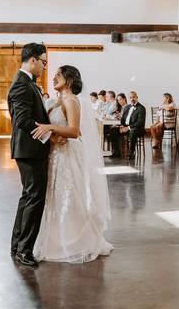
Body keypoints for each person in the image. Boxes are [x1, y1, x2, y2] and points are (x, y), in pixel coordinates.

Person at [30, 65, 112, 263]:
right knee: (55, 197)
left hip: (68, 154)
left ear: (70, 80)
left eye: (58, 75)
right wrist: (51, 136)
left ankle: (76, 241)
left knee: (70, 196)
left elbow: (74, 131)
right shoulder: (56, 101)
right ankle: (56, 240)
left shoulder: (71, 100)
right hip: (56, 154)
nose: (54, 78)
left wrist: (49, 127)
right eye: (54, 75)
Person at [7, 43, 50, 268]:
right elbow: (22, 120)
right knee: (35, 198)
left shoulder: (28, 83)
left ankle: (17, 246)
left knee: (28, 197)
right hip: (29, 149)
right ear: (32, 60)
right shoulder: (21, 85)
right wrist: (48, 135)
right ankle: (25, 250)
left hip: (28, 150)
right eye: (43, 61)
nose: (44, 66)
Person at [108, 90, 145, 159]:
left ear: (137, 97)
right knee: (113, 130)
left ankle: (131, 153)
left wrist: (128, 128)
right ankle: (116, 152)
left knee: (132, 131)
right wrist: (122, 125)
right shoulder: (127, 107)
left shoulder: (141, 108)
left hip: (137, 129)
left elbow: (140, 122)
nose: (132, 99)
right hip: (126, 127)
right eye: (130, 97)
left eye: (133, 97)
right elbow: (123, 118)